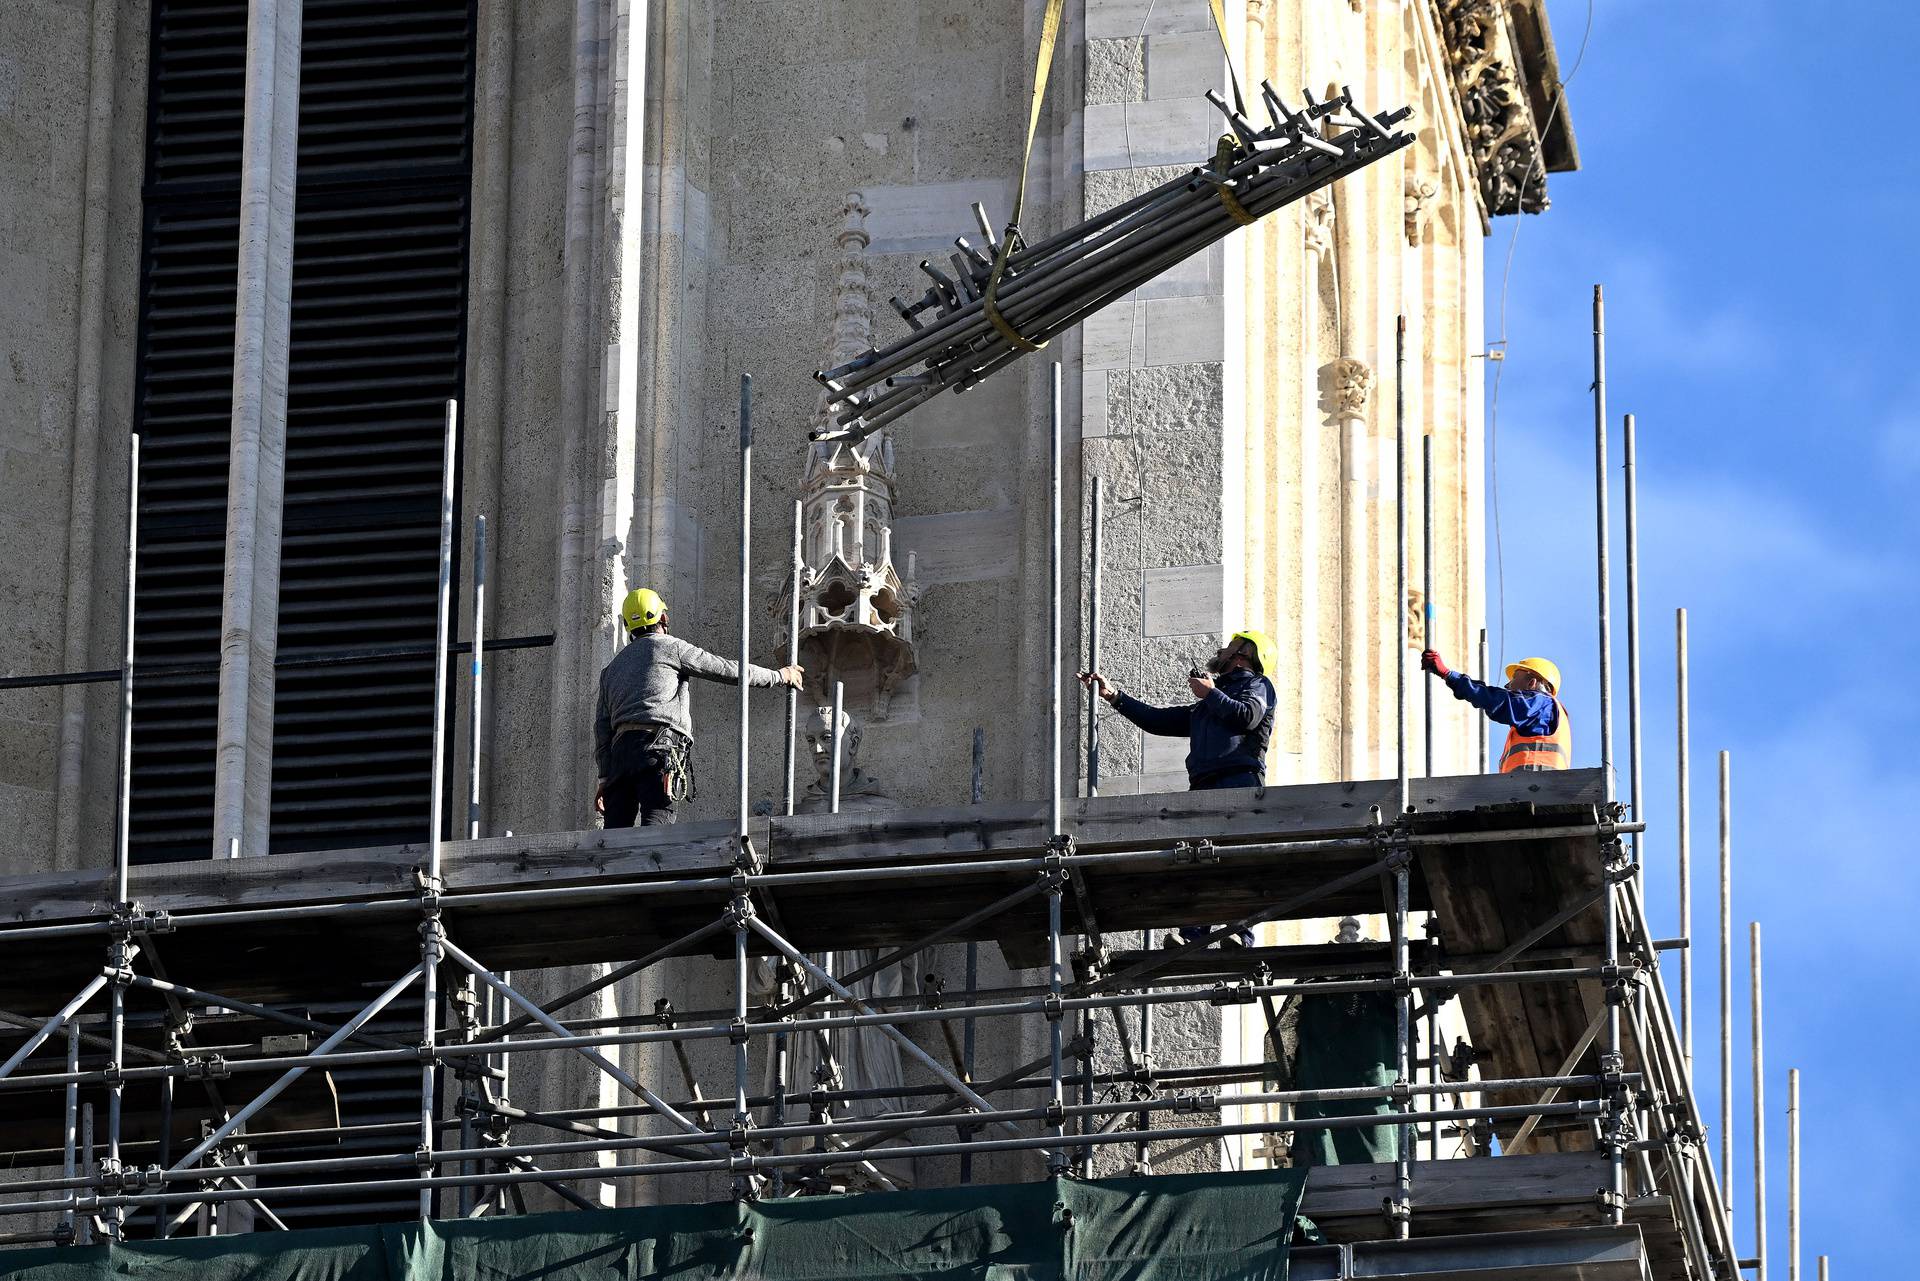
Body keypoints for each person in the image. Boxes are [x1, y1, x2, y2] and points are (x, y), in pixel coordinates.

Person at [1079, 629, 1277, 944]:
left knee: (1237, 858)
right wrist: (1114, 696)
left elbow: (1248, 717)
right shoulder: (1208, 704)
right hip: (1202, 786)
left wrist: (1210, 693)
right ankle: (1193, 934)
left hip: (1238, 781)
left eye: (1230, 646)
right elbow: (1158, 721)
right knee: (1195, 860)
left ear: (1244, 654)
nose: (1222, 650)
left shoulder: (1257, 685)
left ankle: (1239, 933)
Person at [593, 588, 803, 827]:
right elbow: (726, 669)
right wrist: (778, 676)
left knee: (614, 838)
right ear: (662, 618)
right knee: (656, 829)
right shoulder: (670, 647)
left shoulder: (610, 670)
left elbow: (601, 730)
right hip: (658, 748)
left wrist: (604, 778)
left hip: (620, 755)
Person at [1420, 651, 1569, 773]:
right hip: (1533, 790)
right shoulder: (1544, 714)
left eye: (1514, 679)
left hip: (1534, 788)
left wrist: (1448, 674)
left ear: (1532, 683)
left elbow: (1497, 700)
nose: (1508, 686)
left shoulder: (1542, 704)